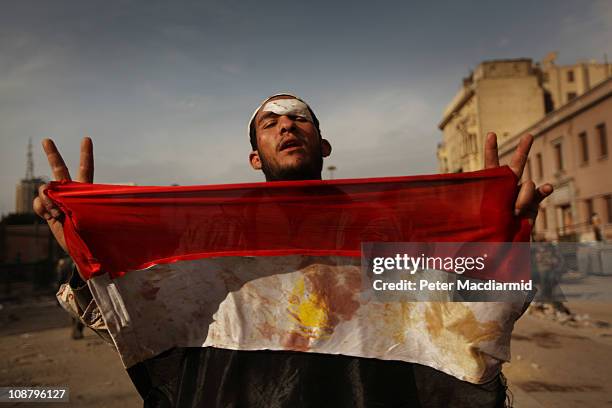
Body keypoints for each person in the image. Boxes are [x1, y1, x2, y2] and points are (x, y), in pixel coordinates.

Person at [34, 93, 553, 407]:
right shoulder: (214, 239)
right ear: (254, 157)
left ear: (323, 146)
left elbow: (468, 315)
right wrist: (90, 249)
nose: (286, 125)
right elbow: (146, 323)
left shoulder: (382, 231)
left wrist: (499, 237)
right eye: (270, 121)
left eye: (300, 118)